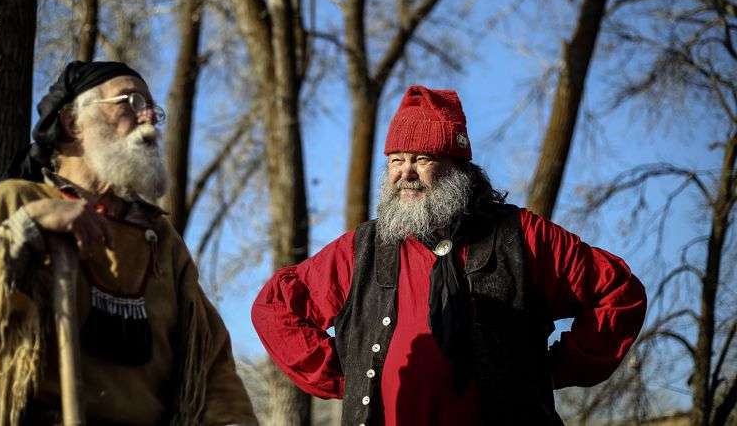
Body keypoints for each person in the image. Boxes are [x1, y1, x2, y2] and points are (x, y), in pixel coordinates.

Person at [252, 84, 647, 426]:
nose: (405, 173)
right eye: (396, 160)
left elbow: (618, 293)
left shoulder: (522, 236)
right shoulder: (362, 249)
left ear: (457, 168)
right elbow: (276, 308)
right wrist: (348, 375)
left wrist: (557, 368)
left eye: (422, 159)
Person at [0, 61, 257, 425]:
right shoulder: (17, 203)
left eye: (153, 109)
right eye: (131, 102)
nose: (149, 117)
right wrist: (22, 232)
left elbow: (211, 364)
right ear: (73, 122)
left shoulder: (162, 241)